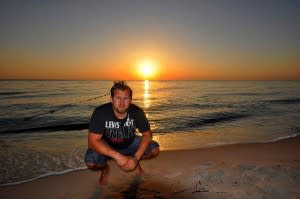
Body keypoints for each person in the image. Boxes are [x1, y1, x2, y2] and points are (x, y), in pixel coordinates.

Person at [84, 81, 160, 185]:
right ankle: (105, 169)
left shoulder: (137, 112)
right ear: (111, 99)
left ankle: (133, 162)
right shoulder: (100, 112)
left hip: (130, 142)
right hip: (107, 145)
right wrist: (118, 157)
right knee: (91, 164)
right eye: (118, 98)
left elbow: (147, 135)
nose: (121, 103)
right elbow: (92, 142)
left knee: (154, 150)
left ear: (130, 100)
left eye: (125, 98)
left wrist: (135, 158)